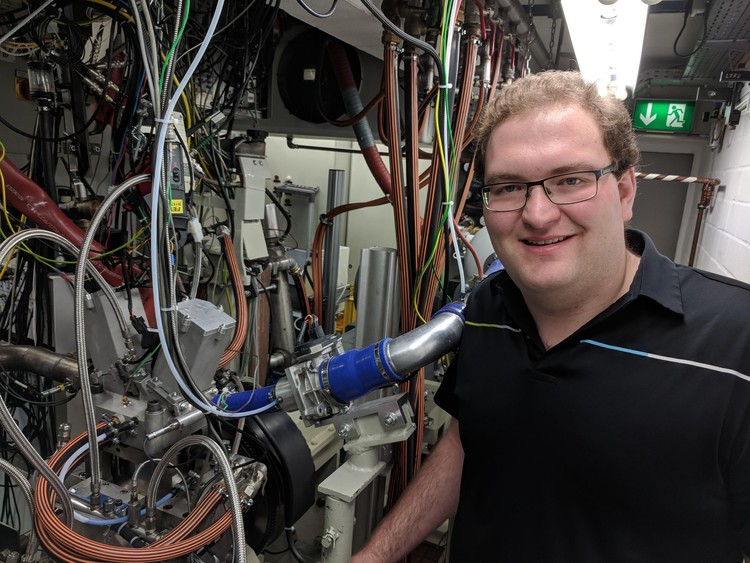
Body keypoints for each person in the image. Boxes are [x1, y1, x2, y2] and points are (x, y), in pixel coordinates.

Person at [351, 70, 750, 562]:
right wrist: (376, 555)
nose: (537, 214)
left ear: (625, 191)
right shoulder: (487, 308)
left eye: (571, 180)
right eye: (509, 187)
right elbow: (469, 439)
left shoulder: (736, 344)